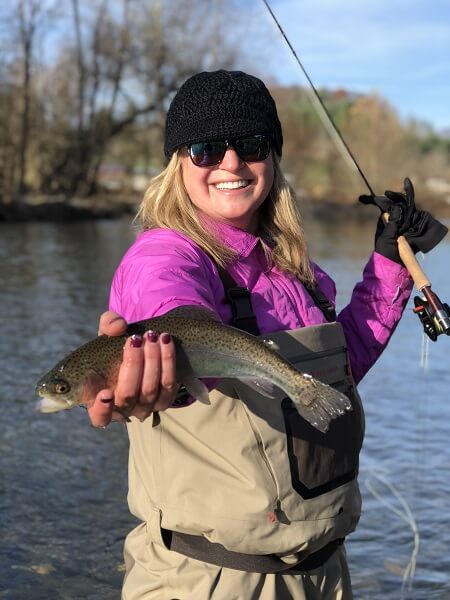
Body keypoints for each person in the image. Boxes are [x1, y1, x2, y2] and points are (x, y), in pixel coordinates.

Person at [86, 70, 446, 599]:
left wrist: (389, 264)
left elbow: (335, 376)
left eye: (250, 144)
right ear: (178, 163)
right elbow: (168, 300)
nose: (230, 163)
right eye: (206, 149)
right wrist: (169, 357)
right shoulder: (163, 254)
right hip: (210, 580)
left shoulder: (295, 269)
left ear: (273, 157)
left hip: (324, 572)